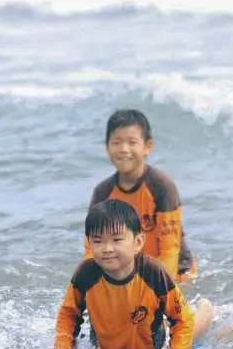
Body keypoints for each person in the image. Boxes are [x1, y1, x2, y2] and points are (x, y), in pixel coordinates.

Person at [44, 199, 214, 349]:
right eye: (98, 241)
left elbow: (182, 320)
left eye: (117, 240)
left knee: (191, 329)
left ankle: (206, 310)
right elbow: (69, 315)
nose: (107, 248)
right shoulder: (86, 274)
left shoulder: (153, 273)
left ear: (138, 242)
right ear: (88, 244)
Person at [83, 109, 198, 283]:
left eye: (132, 142)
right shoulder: (102, 193)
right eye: (116, 142)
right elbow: (92, 249)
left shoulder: (162, 187)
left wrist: (160, 289)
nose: (124, 149)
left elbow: (169, 251)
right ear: (107, 147)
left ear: (147, 147)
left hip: (176, 272)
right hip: (128, 272)